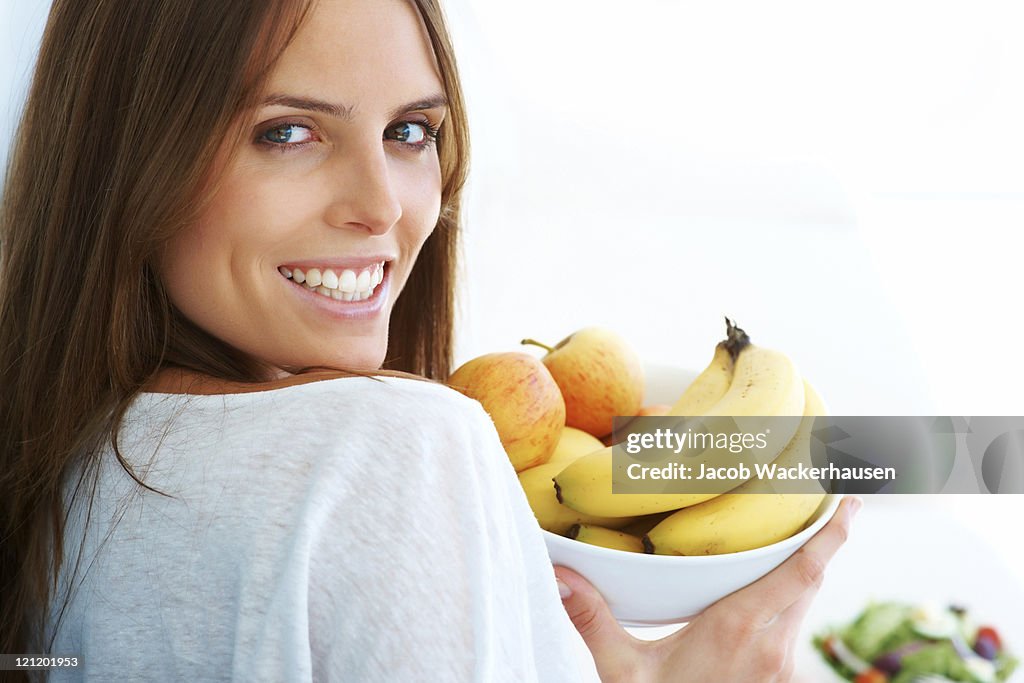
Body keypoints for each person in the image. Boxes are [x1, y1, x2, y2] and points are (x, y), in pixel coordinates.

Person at [0, 0, 859, 681]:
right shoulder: (395, 447)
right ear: (133, 154)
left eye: (410, 131)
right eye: (287, 132)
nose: (383, 206)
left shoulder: (56, 457)